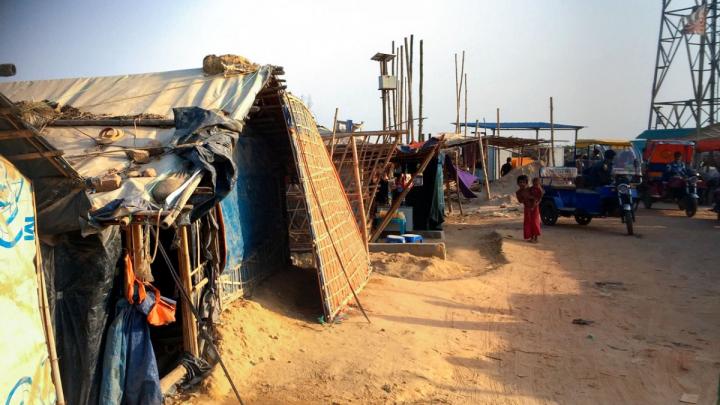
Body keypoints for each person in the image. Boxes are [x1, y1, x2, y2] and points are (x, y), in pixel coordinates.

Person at [516, 175, 541, 242]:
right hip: (527, 208)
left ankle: (536, 238)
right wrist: (524, 198)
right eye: (520, 182)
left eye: (523, 182)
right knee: (528, 223)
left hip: (534, 207)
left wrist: (533, 202)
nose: (522, 184)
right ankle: (531, 237)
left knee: (535, 222)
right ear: (517, 183)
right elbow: (520, 201)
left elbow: (538, 196)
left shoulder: (531, 189)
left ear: (526, 183)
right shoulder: (518, 192)